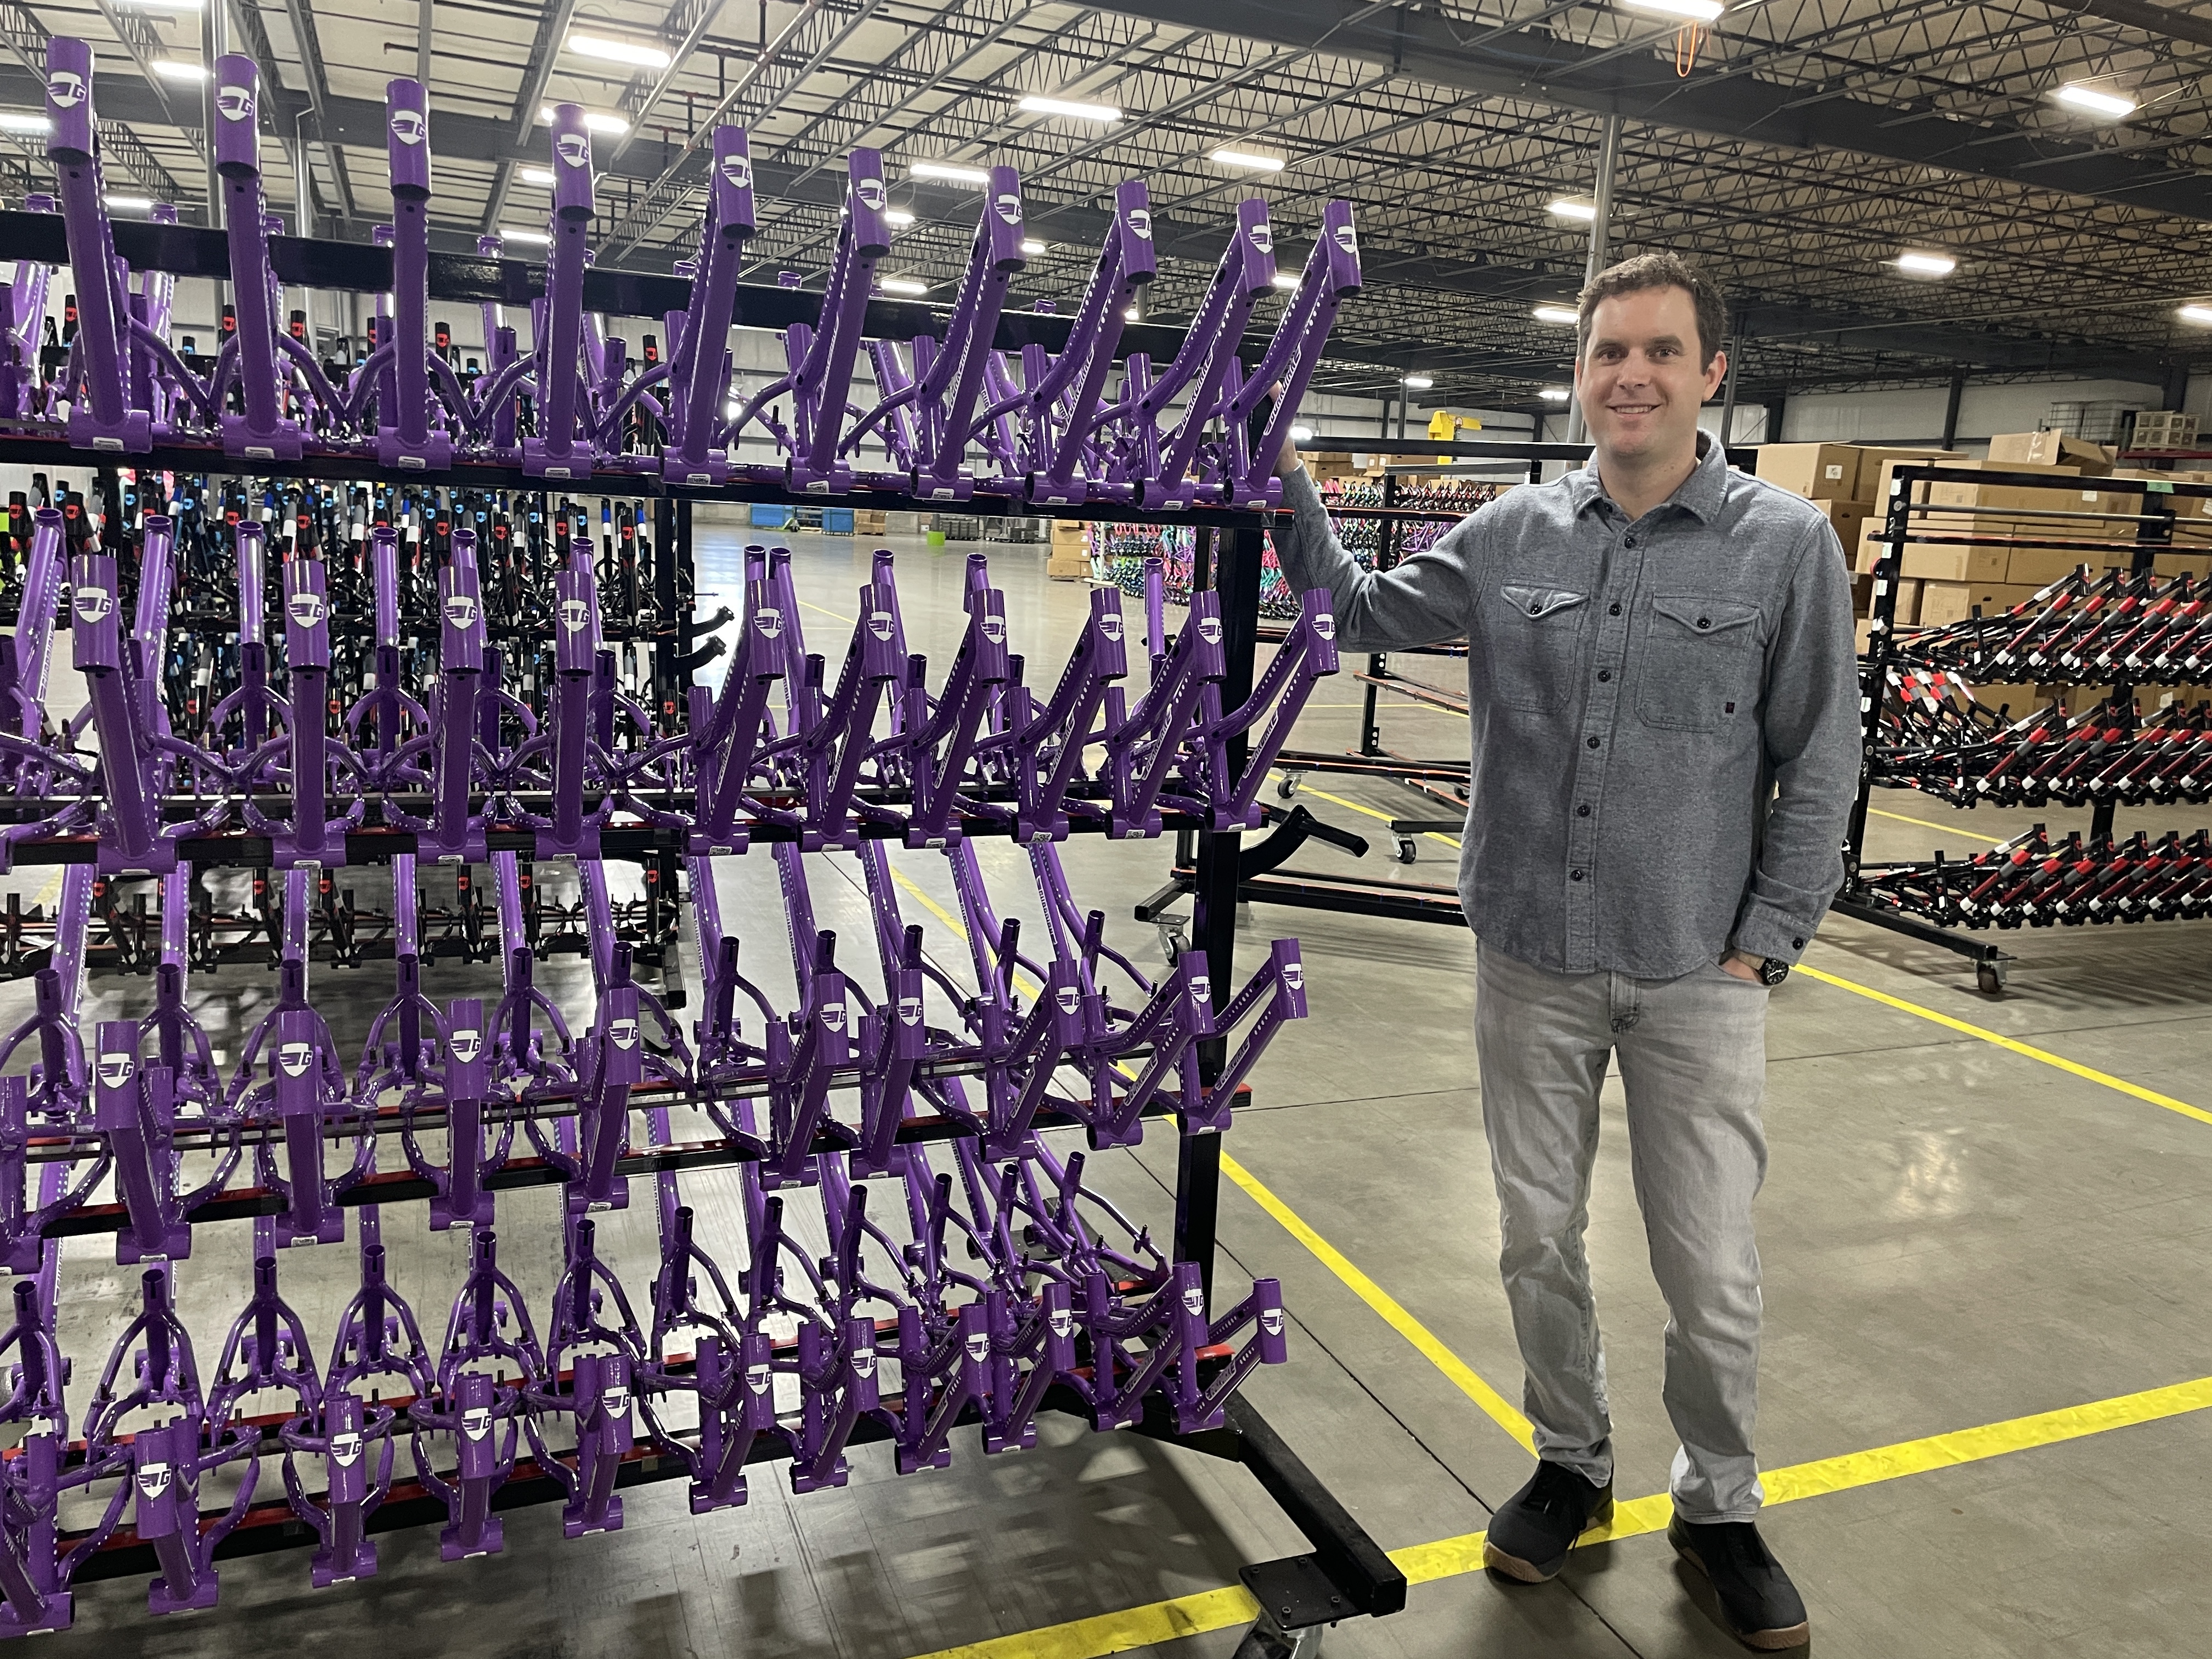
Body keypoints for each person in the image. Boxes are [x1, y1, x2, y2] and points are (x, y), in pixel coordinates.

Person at [1268, 251, 1859, 1651]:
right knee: (1537, 1237)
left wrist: (1764, 946)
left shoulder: (1784, 545)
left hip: (1693, 970)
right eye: (1608, 353)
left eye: (1661, 351)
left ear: (1712, 374)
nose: (1632, 376)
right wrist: (1280, 470)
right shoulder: (1510, 531)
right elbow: (1355, 612)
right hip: (1529, 952)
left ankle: (1718, 1506)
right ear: (1580, 373)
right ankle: (1571, 1464)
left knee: (1707, 1262)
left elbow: (1821, 757)